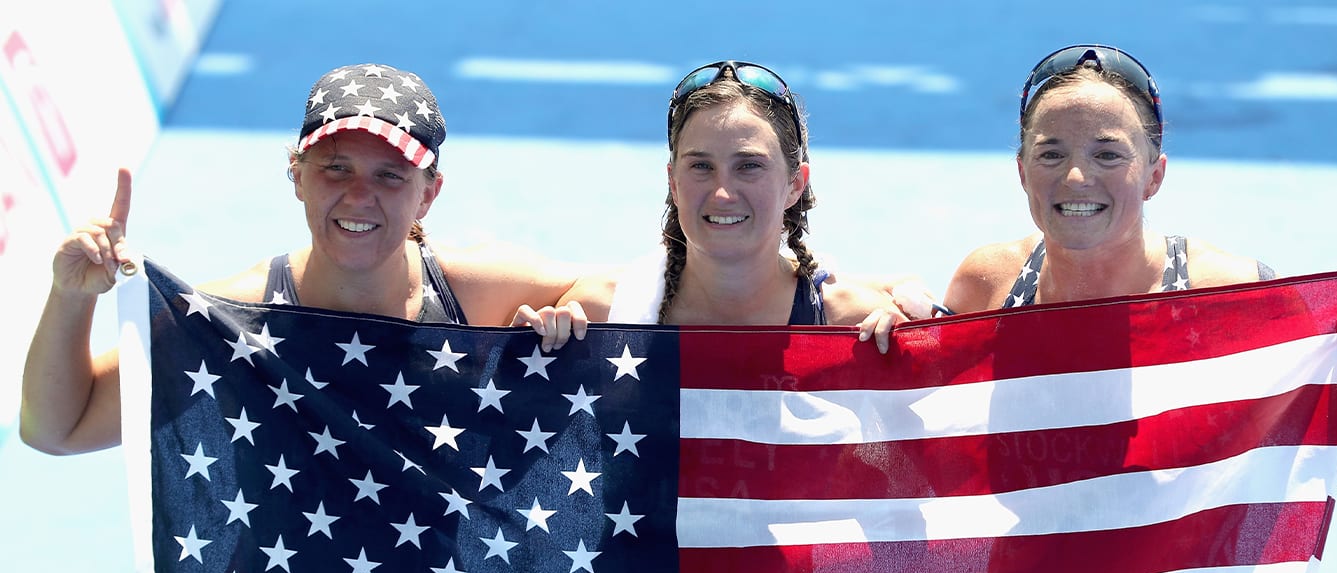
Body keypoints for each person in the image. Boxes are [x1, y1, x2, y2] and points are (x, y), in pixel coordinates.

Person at [939, 44, 1337, 512]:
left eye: (1108, 154)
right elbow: (923, 451)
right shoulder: (990, 287)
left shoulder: (1233, 300)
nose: (1076, 178)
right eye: (1051, 155)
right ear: (1023, 172)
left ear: (1154, 175)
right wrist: (882, 345)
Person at [20, 62, 585, 456]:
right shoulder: (232, 321)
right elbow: (58, 430)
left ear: (428, 193)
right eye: (335, 168)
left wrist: (568, 317)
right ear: (296, 176)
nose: (359, 196)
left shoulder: (478, 290)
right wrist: (70, 298)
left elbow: (626, 295)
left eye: (390, 176)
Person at [559, 60, 902, 348]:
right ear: (673, 183)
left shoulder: (854, 326)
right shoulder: (598, 320)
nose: (723, 194)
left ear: (795, 184)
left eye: (749, 166)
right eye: (701, 166)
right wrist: (525, 354)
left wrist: (914, 348)